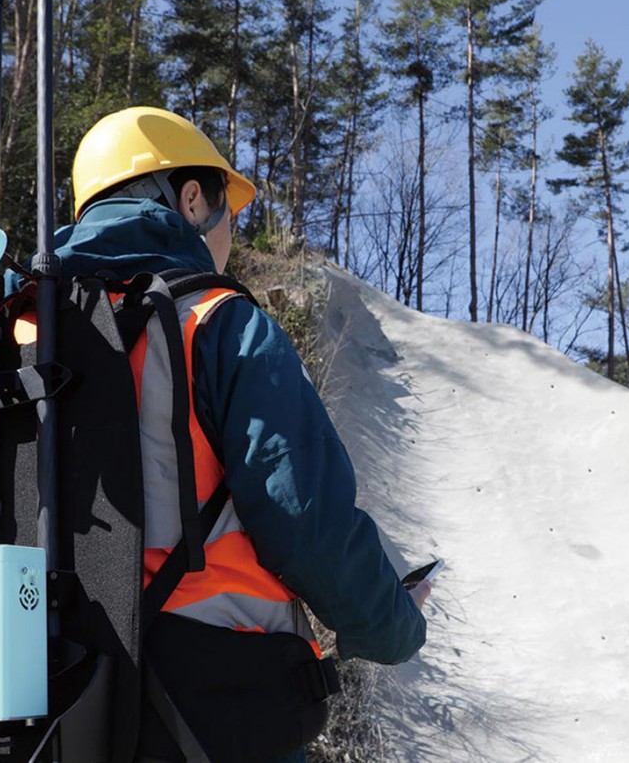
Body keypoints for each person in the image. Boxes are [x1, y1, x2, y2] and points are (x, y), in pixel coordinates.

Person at [60, 106, 428, 763]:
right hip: (210, 708)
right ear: (191, 199)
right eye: (228, 210)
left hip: (58, 702)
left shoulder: (24, 330)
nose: (231, 231)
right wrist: (391, 625)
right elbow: (307, 521)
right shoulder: (218, 323)